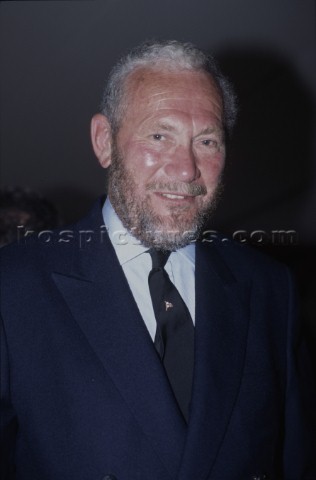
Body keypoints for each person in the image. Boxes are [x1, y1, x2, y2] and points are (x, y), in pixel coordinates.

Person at [0, 40, 315, 480]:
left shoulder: (270, 290)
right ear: (104, 141)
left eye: (207, 140)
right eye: (159, 135)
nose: (186, 169)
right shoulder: (14, 286)